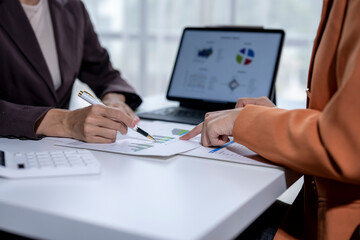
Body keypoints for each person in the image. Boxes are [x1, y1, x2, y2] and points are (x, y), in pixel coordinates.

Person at [181, 0, 360, 239]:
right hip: (314, 217)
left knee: (196, 217)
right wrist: (273, 118)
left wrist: (246, 122)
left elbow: (347, 143)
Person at [0, 0, 142, 143]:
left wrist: (113, 100)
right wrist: (65, 122)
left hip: (61, 149)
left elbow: (103, 73)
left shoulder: (73, 6)